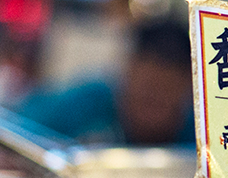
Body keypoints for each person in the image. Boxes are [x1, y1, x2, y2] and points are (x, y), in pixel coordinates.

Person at [16, 20, 193, 146]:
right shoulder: (87, 104)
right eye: (146, 88)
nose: (153, 97)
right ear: (128, 70)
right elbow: (17, 129)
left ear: (188, 89)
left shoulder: (200, 138)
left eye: (165, 94)